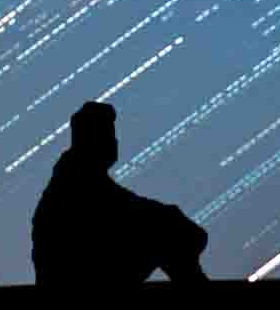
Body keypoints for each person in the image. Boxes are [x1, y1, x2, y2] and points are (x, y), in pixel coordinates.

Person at [31, 100, 212, 286]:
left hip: (84, 270)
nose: (114, 142)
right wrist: (173, 219)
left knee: (167, 233)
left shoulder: (79, 176)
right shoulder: (76, 180)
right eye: (107, 135)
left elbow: (128, 206)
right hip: (79, 276)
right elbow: (126, 209)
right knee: (166, 233)